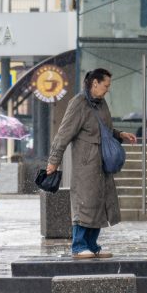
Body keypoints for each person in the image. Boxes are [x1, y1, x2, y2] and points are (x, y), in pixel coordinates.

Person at [46, 68, 137, 259]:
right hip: (85, 165)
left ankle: (93, 245)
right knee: (84, 203)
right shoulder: (78, 103)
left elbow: (105, 129)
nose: (108, 89)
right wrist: (53, 161)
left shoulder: (102, 104)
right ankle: (78, 246)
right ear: (95, 83)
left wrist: (120, 134)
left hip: (102, 163)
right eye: (106, 85)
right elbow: (63, 135)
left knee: (99, 202)